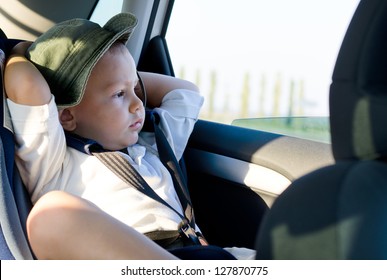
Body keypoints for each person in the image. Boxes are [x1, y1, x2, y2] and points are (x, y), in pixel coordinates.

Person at [4, 13, 255, 260]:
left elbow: (185, 92)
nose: (138, 105)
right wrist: (17, 51)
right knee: (49, 214)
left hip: (201, 255)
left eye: (135, 89)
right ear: (66, 117)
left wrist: (119, 75)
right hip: (129, 261)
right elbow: (28, 86)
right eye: (119, 95)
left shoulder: (152, 146)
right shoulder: (54, 162)